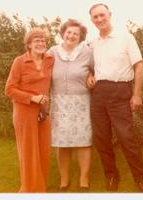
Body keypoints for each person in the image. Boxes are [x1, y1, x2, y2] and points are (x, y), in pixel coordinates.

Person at [87, 3, 143, 192]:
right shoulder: (92, 43)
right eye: (95, 17)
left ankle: (141, 179)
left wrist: (137, 94)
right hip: (99, 93)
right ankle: (111, 176)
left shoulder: (126, 38)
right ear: (92, 20)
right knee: (102, 139)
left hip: (120, 92)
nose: (99, 19)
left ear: (109, 14)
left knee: (127, 138)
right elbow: (89, 67)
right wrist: (89, 76)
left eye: (102, 15)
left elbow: (139, 66)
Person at [5, 28, 54, 192]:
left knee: (43, 152)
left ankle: (40, 189)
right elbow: (9, 89)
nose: (41, 43)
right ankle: (29, 190)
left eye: (43, 40)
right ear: (29, 44)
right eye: (37, 40)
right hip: (24, 112)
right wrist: (32, 98)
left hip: (43, 113)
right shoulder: (20, 61)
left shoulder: (50, 60)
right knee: (28, 153)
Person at [48, 19, 93, 192]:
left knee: (83, 142)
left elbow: (95, 69)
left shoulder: (87, 52)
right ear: (63, 33)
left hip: (81, 102)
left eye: (75, 33)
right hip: (59, 103)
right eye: (68, 32)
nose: (71, 35)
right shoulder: (52, 51)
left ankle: (84, 179)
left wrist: (90, 74)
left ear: (81, 37)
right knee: (62, 143)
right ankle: (64, 180)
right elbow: (42, 70)